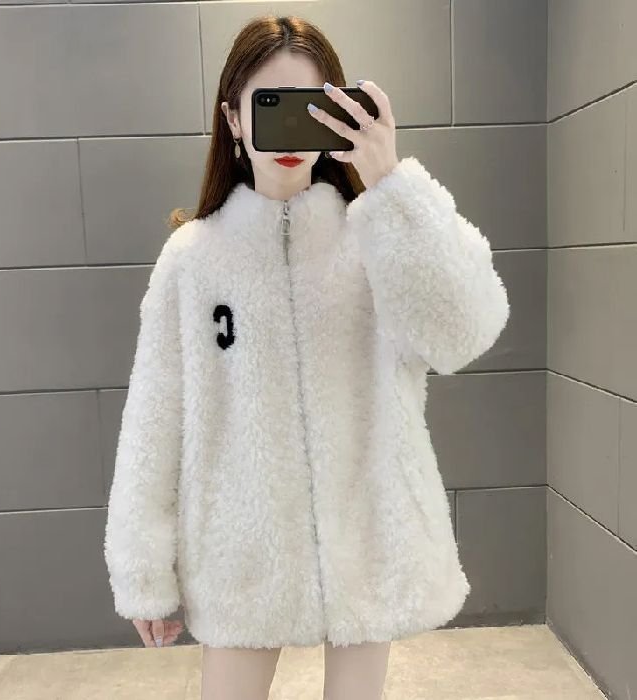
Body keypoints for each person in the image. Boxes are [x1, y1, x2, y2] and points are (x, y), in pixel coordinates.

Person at [103, 13, 510, 700]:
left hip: (368, 539)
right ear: (233, 119)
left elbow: (463, 332)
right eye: (270, 105)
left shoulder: (378, 239)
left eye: (310, 106)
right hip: (240, 552)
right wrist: (144, 569)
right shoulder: (194, 261)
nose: (291, 133)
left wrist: (391, 185)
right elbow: (153, 420)